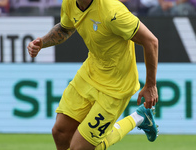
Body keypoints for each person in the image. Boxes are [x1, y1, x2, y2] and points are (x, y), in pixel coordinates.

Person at [27, 0, 159, 149]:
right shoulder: (70, 3)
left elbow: (151, 41)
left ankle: (139, 117)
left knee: (80, 148)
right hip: (90, 73)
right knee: (60, 132)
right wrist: (42, 42)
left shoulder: (112, 11)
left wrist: (151, 85)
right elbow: (65, 29)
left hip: (116, 86)